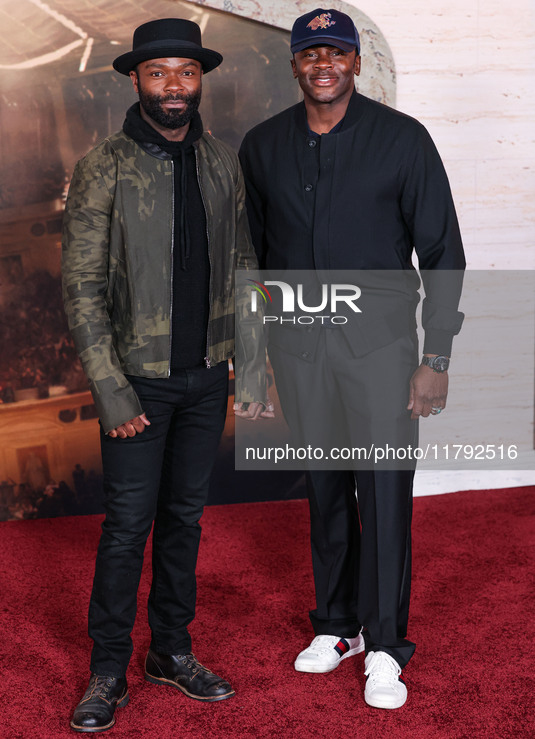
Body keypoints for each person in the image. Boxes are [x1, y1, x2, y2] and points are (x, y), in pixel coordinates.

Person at [239, 8, 465, 710]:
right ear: (295, 65)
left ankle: (387, 645)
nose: (323, 65)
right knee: (326, 489)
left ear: (357, 63)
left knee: (385, 494)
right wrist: (254, 361)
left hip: (383, 352)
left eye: (337, 53)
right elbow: (251, 260)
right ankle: (337, 627)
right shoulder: (263, 146)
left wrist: (435, 356)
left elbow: (442, 255)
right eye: (311, 55)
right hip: (299, 347)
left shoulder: (403, 140)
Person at [62, 18, 267, 733]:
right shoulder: (103, 166)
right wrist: (111, 388)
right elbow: (82, 287)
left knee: (184, 520)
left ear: (198, 79)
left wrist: (252, 367)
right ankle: (109, 668)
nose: (173, 86)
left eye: (184, 72)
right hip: (136, 384)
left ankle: (171, 652)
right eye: (158, 74)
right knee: (126, 527)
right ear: (136, 81)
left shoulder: (220, 160)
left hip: (206, 376)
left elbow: (245, 268)